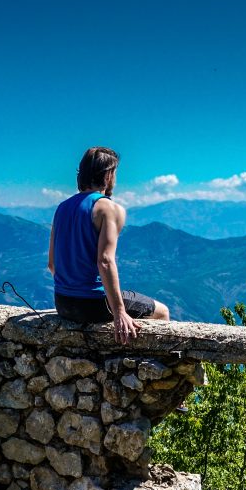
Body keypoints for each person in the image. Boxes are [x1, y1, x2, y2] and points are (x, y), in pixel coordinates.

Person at [48, 147, 170, 344]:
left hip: (63, 303)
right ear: (108, 174)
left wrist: (72, 287)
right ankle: (149, 371)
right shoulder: (109, 209)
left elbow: (52, 264)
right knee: (162, 311)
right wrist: (119, 312)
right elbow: (105, 261)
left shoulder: (62, 208)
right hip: (94, 304)